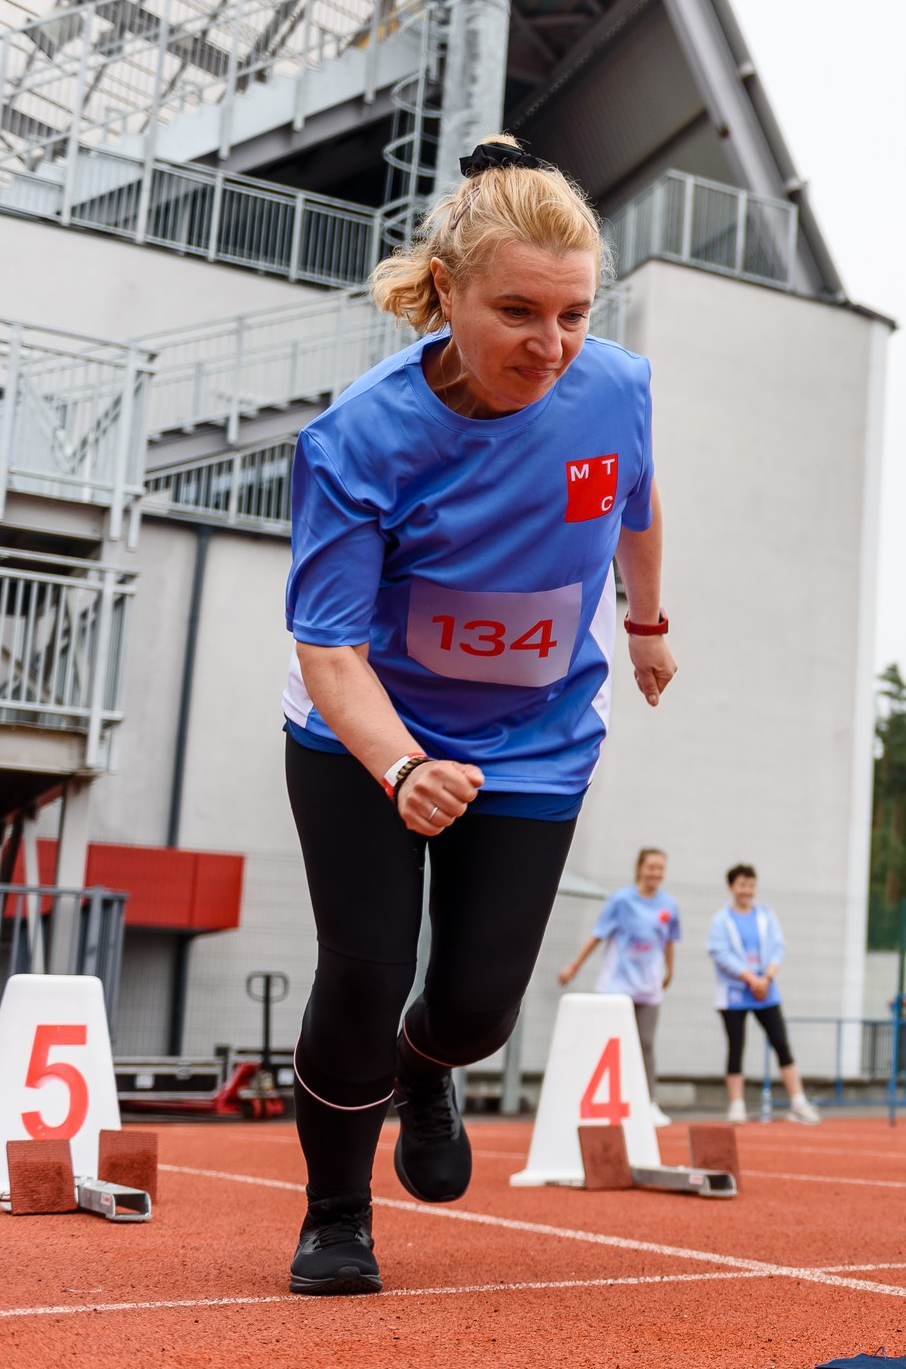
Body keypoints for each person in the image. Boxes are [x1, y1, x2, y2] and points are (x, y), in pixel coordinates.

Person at [279, 136, 674, 1295]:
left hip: (537, 736)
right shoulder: (358, 437)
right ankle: (336, 1215)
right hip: (366, 733)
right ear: (443, 292)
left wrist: (645, 624)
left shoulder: (615, 387)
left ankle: (426, 1065)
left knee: (474, 1008)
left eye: (573, 314)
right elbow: (330, 646)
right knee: (364, 965)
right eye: (516, 312)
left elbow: (639, 503)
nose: (549, 347)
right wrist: (402, 767)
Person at [559, 847, 681, 1121]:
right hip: (616, 987)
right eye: (651, 867)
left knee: (645, 1044)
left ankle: (649, 1104)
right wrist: (574, 967)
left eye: (660, 868)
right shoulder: (621, 900)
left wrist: (670, 971)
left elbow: (669, 941)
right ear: (640, 868)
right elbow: (597, 935)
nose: (656, 873)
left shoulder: (669, 905)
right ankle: (597, 1099)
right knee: (609, 1044)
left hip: (648, 987)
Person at [707, 864, 818, 1126]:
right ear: (732, 887)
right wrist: (748, 977)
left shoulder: (767, 916)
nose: (746, 890)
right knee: (736, 1047)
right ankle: (737, 1105)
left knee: (781, 1043)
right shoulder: (720, 921)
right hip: (735, 993)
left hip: (766, 992)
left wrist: (766, 978)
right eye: (742, 885)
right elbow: (720, 953)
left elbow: (778, 948)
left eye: (751, 885)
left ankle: (798, 1102)